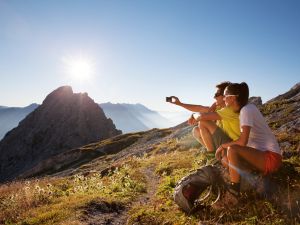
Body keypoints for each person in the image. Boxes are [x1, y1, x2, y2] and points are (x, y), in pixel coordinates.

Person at [215, 82, 282, 198]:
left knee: (232, 149)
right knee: (225, 160)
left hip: (271, 158)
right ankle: (255, 178)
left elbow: (242, 142)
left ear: (233, 97)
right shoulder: (244, 110)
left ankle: (234, 192)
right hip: (261, 156)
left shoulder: (246, 110)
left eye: (225, 96)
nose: (223, 99)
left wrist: (222, 146)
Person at [168, 82, 240, 153]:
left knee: (203, 122)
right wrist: (180, 103)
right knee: (196, 130)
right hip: (226, 142)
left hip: (232, 145)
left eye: (217, 94)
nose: (214, 97)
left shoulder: (229, 110)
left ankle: (211, 154)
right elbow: (198, 108)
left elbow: (201, 117)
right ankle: (215, 153)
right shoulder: (219, 108)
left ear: (225, 95)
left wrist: (193, 115)